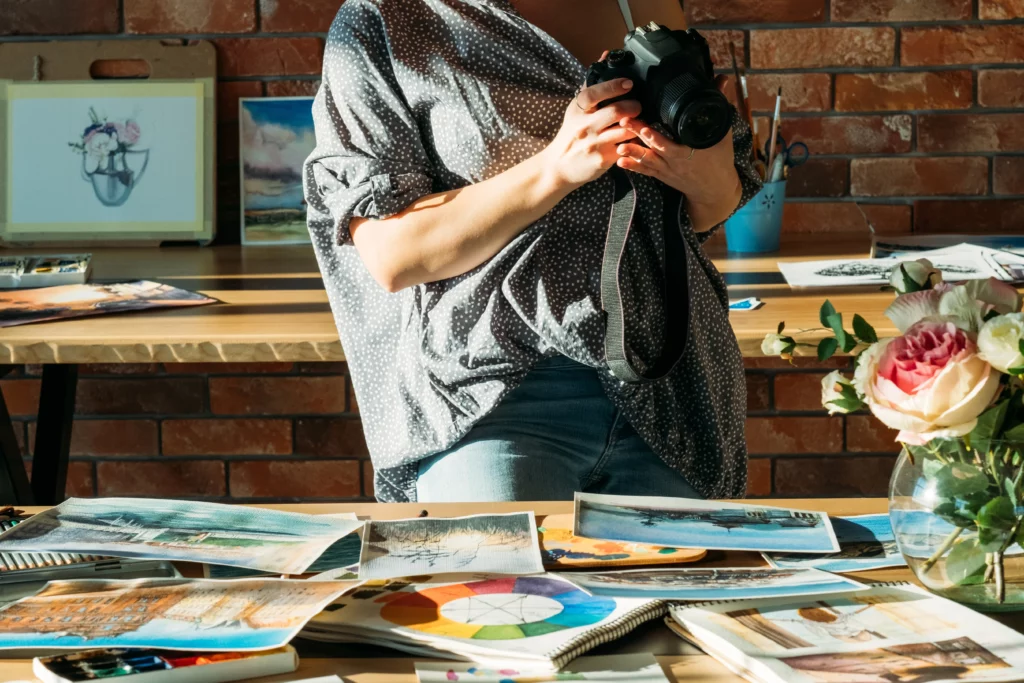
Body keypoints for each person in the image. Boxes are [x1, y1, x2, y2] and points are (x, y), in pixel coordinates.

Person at [304, 0, 761, 503]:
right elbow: (393, 253)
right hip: (495, 398)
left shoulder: (642, 5)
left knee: (681, 582)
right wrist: (554, 170)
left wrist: (712, 183)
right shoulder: (387, 20)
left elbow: (696, 215)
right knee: (507, 581)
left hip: (672, 384)